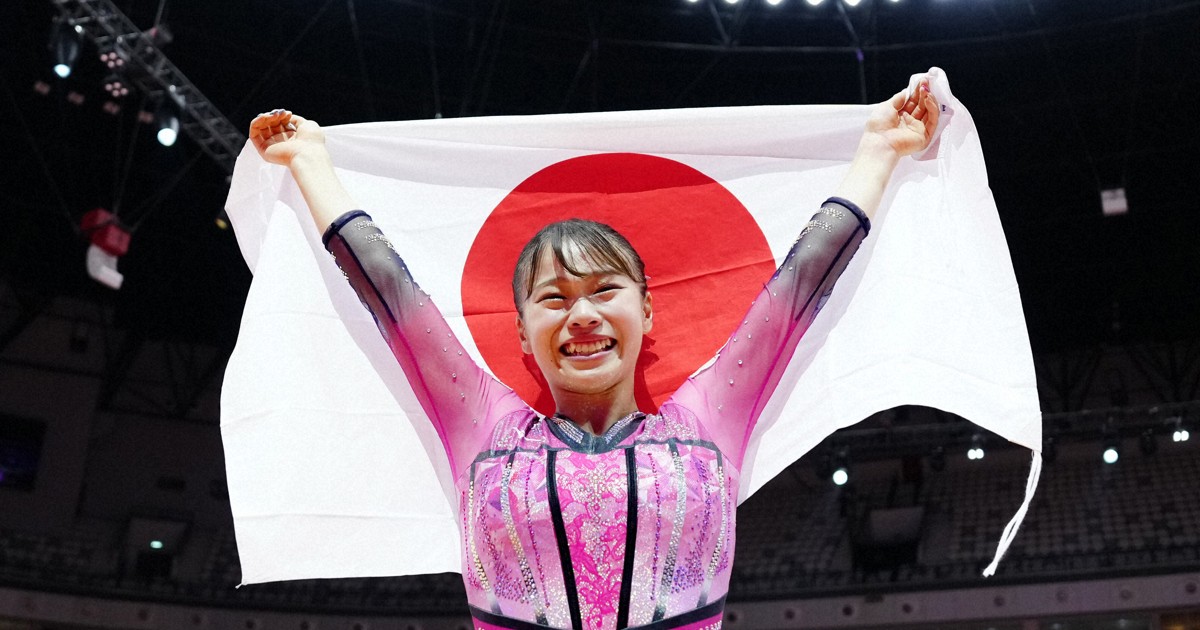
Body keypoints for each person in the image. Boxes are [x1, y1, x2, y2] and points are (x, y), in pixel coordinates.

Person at [247, 80, 939, 630]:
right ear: (521, 333)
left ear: (645, 313)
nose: (581, 313)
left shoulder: (709, 421)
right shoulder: (484, 427)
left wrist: (879, 150)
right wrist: (310, 162)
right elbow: (390, 292)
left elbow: (799, 285)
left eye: (605, 289)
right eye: (553, 298)